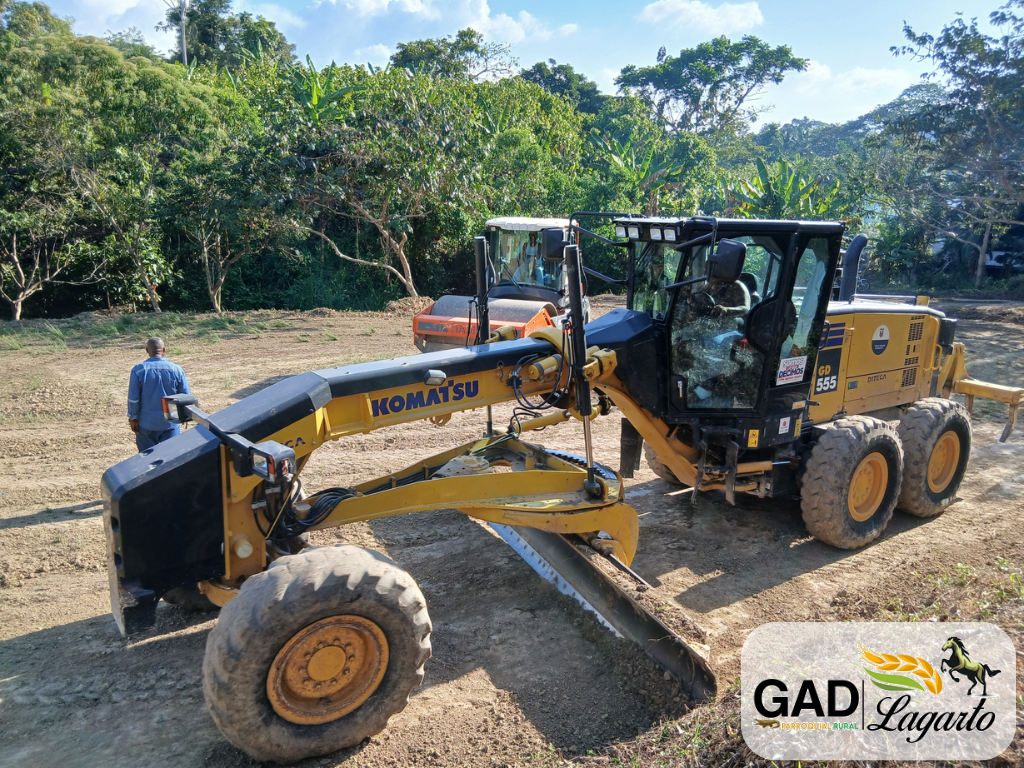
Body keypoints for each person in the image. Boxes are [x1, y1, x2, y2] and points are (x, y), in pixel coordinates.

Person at [127, 337, 191, 452]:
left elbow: (134, 399)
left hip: (147, 423)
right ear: (164, 350)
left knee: (147, 458)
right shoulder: (176, 370)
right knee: (171, 456)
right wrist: (184, 416)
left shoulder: (138, 370)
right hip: (171, 422)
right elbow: (185, 395)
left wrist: (133, 417)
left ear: (147, 350)